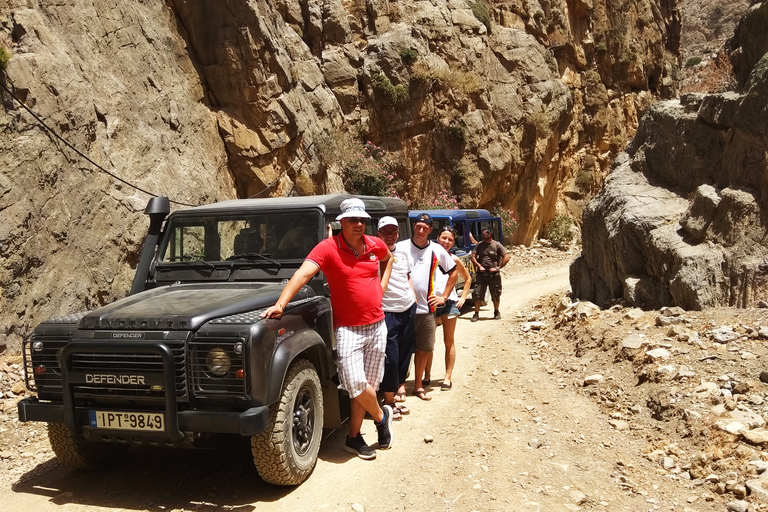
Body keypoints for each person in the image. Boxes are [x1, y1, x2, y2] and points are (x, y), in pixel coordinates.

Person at [262, 198, 394, 460]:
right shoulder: (328, 248)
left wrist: (381, 288)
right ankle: (381, 416)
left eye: (362, 220)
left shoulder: (375, 244)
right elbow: (303, 274)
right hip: (348, 329)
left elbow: (389, 259)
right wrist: (280, 303)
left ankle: (353, 438)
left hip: (377, 325)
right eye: (353, 219)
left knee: (367, 384)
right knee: (353, 383)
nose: (359, 224)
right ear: (341, 222)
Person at [396, 213, 457, 401]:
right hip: (403, 307)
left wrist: (444, 297)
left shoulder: (437, 250)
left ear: (430, 230)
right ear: (414, 227)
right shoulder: (400, 247)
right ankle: (399, 386)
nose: (421, 230)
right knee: (402, 347)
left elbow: (453, 272)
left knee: (425, 348)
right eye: (418, 226)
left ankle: (418, 385)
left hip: (427, 308)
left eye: (425, 228)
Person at [377, 216, 417, 419]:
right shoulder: (373, 255)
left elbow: (407, 275)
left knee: (405, 353)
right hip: (387, 312)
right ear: (379, 234)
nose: (390, 235)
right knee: (390, 358)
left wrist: (413, 298)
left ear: (398, 233)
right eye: (386, 232)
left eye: (393, 231)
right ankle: (389, 401)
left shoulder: (402, 252)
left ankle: (399, 386)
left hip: (408, 308)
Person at [427, 226, 472, 391]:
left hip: (449, 303)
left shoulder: (455, 259)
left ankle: (447, 377)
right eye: (443, 238)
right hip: (431, 302)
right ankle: (426, 376)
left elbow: (467, 279)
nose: (446, 242)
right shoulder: (428, 255)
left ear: (454, 242)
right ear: (437, 237)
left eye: (450, 239)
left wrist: (463, 297)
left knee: (448, 341)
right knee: (427, 342)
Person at [471, 227, 510, 321]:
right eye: (482, 234)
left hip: (493, 274)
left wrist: (498, 267)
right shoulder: (479, 245)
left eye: (484, 234)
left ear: (489, 234)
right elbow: (473, 257)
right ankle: (476, 314)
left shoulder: (497, 245)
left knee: (496, 293)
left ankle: (496, 311)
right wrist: (479, 266)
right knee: (477, 293)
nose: (482, 236)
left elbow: (506, 257)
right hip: (481, 274)